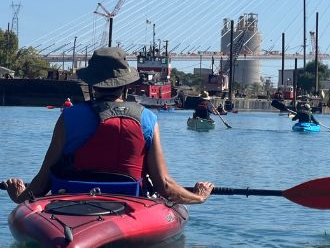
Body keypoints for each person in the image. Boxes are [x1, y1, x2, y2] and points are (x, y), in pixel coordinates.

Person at [3, 47, 213, 204]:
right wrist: (198, 196)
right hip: (129, 203)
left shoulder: (68, 117)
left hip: (70, 203)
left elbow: (43, 180)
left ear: (92, 83)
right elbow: (165, 187)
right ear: (126, 84)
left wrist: (19, 196)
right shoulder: (147, 118)